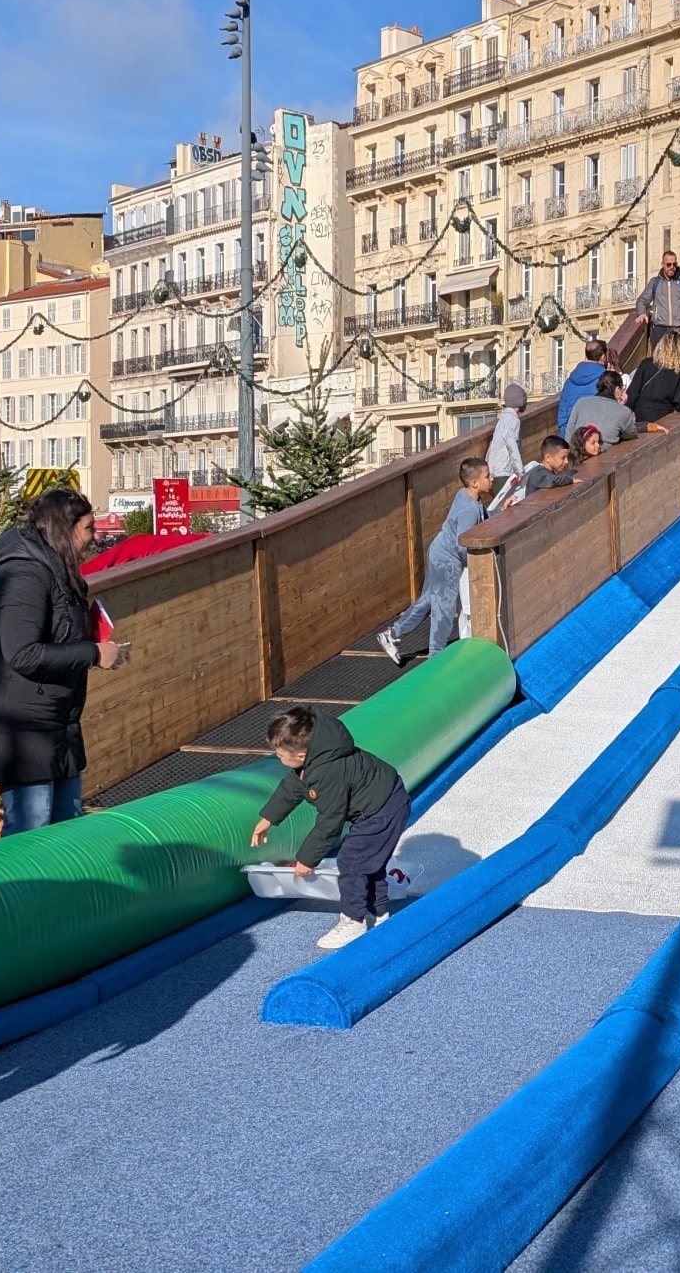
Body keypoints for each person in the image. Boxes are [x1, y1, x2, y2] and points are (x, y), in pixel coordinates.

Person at [0, 488, 127, 835]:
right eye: (89, 528)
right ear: (66, 529)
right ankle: (15, 890)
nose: (95, 537)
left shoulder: (58, 571)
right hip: (22, 727)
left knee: (65, 829)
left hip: (55, 721)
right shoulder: (25, 575)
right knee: (30, 830)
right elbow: (22, 652)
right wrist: (93, 653)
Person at [249, 705, 410, 950]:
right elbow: (293, 787)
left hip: (383, 808)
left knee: (352, 861)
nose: (278, 758)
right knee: (368, 861)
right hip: (380, 803)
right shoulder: (316, 754)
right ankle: (377, 913)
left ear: (301, 755)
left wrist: (307, 859)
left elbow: (330, 821)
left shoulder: (328, 771)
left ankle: (353, 920)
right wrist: (269, 817)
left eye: (280, 754)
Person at [378, 457, 492, 661]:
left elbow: (483, 518)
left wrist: (501, 511)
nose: (491, 479)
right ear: (475, 482)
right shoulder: (468, 509)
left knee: (429, 600)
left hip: (438, 551)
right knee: (444, 609)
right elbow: (462, 544)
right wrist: (477, 565)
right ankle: (435, 656)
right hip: (447, 560)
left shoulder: (468, 496)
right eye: (487, 476)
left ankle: (392, 634)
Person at [633, 249, 680, 346]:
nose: (672, 267)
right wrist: (641, 313)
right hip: (660, 329)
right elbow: (642, 300)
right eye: (668, 264)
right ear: (663, 264)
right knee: (659, 360)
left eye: (674, 264)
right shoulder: (655, 282)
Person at [567, 370, 639, 445]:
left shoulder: (581, 402)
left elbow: (569, 430)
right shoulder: (624, 412)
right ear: (617, 389)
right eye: (622, 388)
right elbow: (631, 434)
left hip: (578, 451)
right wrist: (625, 411)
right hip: (605, 453)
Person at [555, 337, 607, 437]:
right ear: (603, 356)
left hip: (572, 433)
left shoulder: (570, 381)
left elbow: (563, 412)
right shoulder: (606, 378)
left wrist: (564, 436)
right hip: (595, 435)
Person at [485, 383, 528, 487]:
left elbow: (493, 444)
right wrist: (519, 471)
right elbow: (511, 443)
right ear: (520, 402)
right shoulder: (514, 420)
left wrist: (487, 464)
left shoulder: (502, 419)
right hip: (505, 472)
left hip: (494, 471)